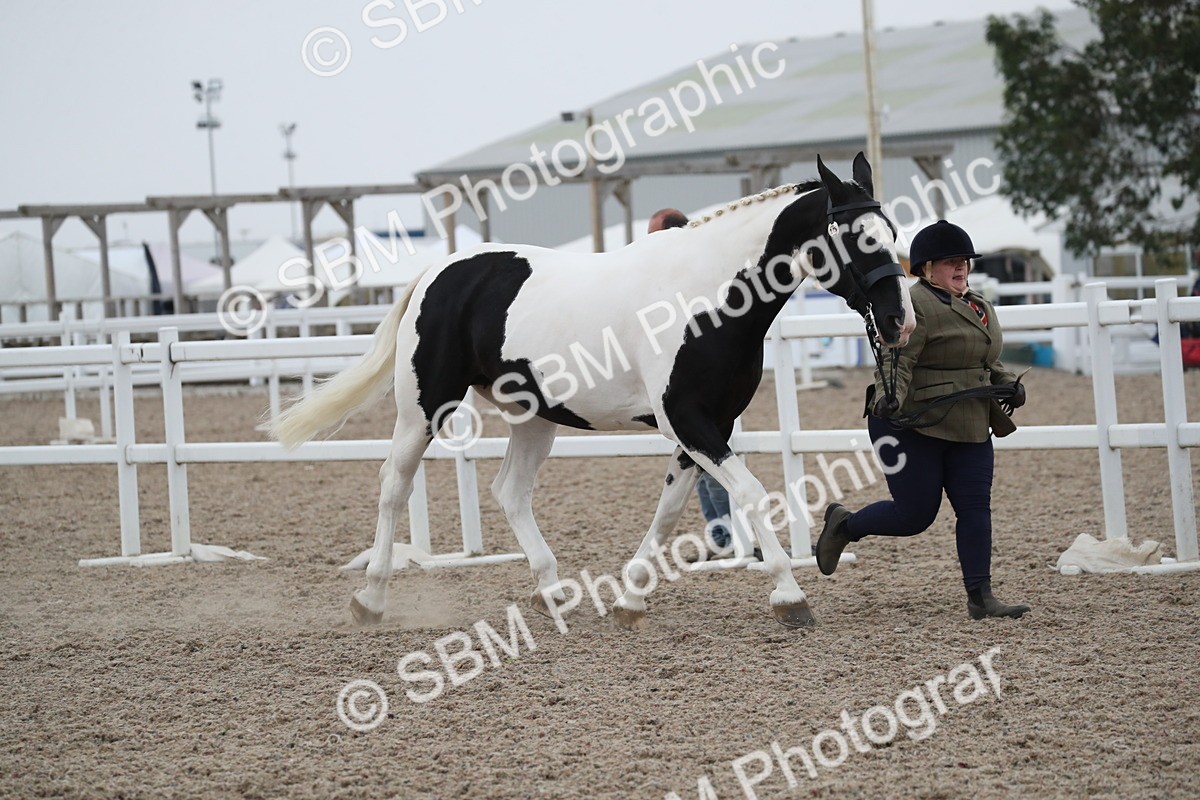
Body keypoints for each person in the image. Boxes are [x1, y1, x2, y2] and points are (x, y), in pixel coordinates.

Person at [815, 219, 1031, 620]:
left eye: (964, 260)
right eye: (951, 261)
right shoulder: (913, 305)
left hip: (969, 421)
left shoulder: (978, 304)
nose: (961, 267)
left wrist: (1006, 383)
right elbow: (896, 361)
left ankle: (981, 597)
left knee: (975, 507)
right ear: (927, 268)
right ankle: (845, 526)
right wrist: (890, 397)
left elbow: (986, 360)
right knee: (915, 515)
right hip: (913, 423)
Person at [647, 207, 733, 555]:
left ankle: (727, 536)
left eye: (656, 236)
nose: (650, 245)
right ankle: (721, 535)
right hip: (686, 382)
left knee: (712, 463)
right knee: (698, 462)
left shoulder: (698, 272)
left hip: (706, 380)